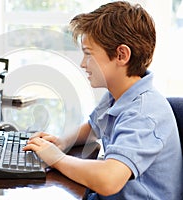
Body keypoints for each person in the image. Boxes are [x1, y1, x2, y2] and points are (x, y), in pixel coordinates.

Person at [23, 1, 183, 199]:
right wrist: (62, 142)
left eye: (88, 54)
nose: (83, 63)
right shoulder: (118, 95)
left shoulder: (145, 113)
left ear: (121, 55)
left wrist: (56, 158)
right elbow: (93, 126)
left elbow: (109, 181)